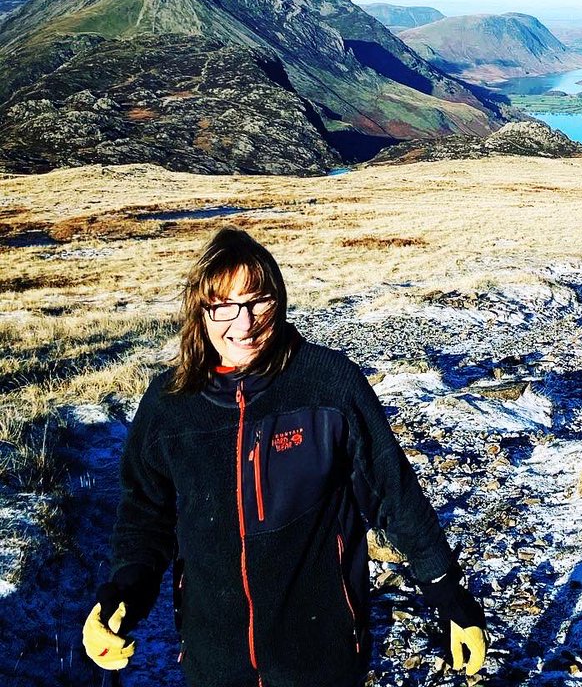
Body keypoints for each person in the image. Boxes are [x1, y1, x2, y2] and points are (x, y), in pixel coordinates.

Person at [81, 225, 487, 686]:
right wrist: (123, 596)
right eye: (225, 306)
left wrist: (450, 596)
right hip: (214, 660)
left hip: (321, 655)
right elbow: (146, 517)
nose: (245, 323)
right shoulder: (170, 405)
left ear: (280, 299)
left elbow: (392, 493)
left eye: (259, 301)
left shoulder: (328, 384)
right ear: (202, 311)